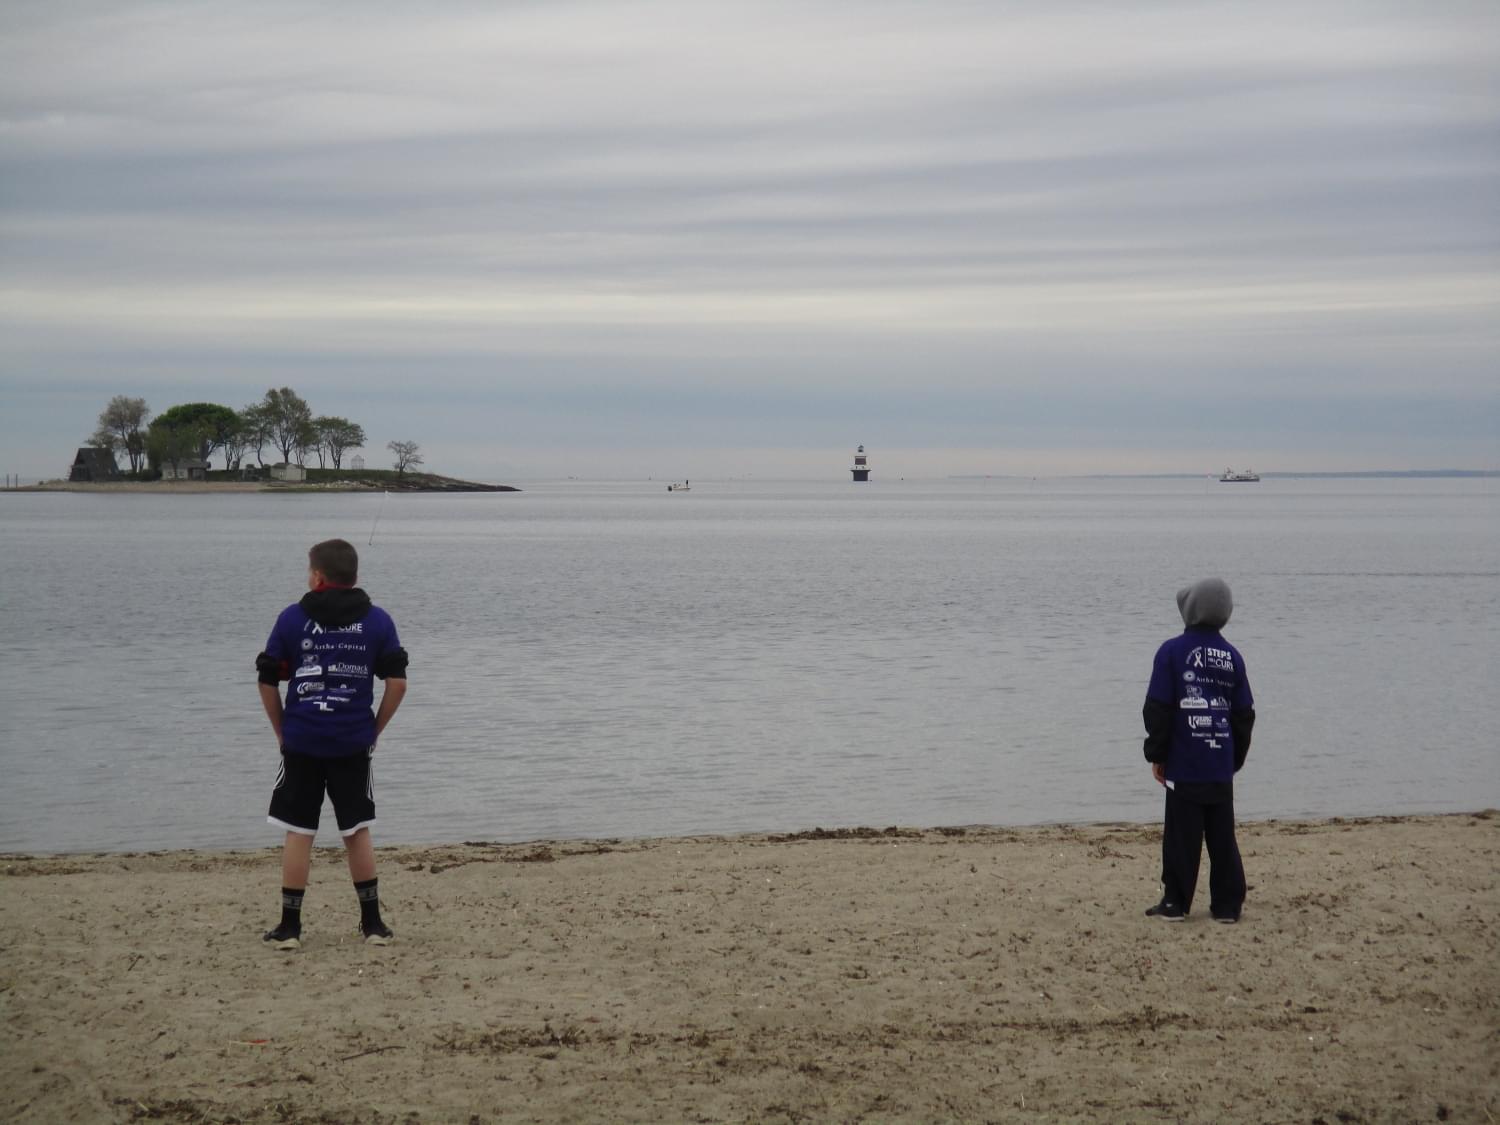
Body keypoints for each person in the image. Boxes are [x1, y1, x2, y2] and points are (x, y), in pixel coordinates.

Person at [255, 538, 408, 950]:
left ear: (318, 576)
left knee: (299, 831)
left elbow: (268, 679)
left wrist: (281, 730)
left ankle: (290, 928)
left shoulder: (291, 619)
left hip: (302, 740)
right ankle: (373, 925)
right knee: (356, 830)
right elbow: (397, 682)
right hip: (352, 741)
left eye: (309, 571)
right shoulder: (377, 621)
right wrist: (374, 729)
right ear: (354, 577)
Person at [1141, 577, 1255, 923]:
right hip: (1219, 764)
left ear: (1190, 610)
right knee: (1223, 837)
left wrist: (1157, 754)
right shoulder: (1232, 656)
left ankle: (1175, 902)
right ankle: (1227, 905)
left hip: (1184, 764)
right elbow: (1244, 714)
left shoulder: (1171, 652)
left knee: (1181, 836)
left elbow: (1158, 707)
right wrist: (1233, 759)